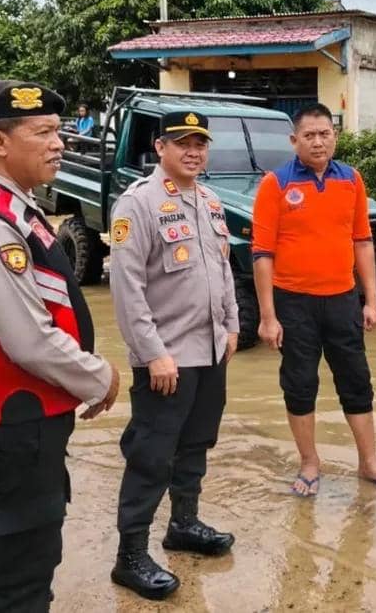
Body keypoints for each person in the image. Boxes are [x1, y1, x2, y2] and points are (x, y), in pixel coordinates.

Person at [0, 80, 120, 611]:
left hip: (25, 419)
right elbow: (28, 339)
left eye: (58, 131)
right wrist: (100, 377)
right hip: (13, 421)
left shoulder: (14, 208)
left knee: (26, 558)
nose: (58, 143)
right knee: (22, 573)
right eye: (42, 133)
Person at [108, 110, 238, 601]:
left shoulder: (210, 200)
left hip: (210, 350)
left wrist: (232, 325)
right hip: (167, 358)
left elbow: (222, 270)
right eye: (182, 142)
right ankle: (130, 556)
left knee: (196, 444)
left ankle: (183, 524)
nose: (193, 151)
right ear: (160, 147)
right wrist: (152, 353)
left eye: (200, 143)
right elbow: (127, 288)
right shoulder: (137, 204)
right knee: (151, 456)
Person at [252, 103, 376, 496]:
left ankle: (369, 463)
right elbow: (262, 254)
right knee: (299, 384)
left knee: (357, 381)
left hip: (342, 299)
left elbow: (362, 241)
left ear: (335, 137)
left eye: (325, 134)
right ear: (295, 141)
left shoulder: (351, 179)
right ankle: (309, 463)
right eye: (309, 135)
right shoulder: (275, 184)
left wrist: (371, 300)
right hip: (294, 303)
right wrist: (268, 316)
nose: (318, 142)